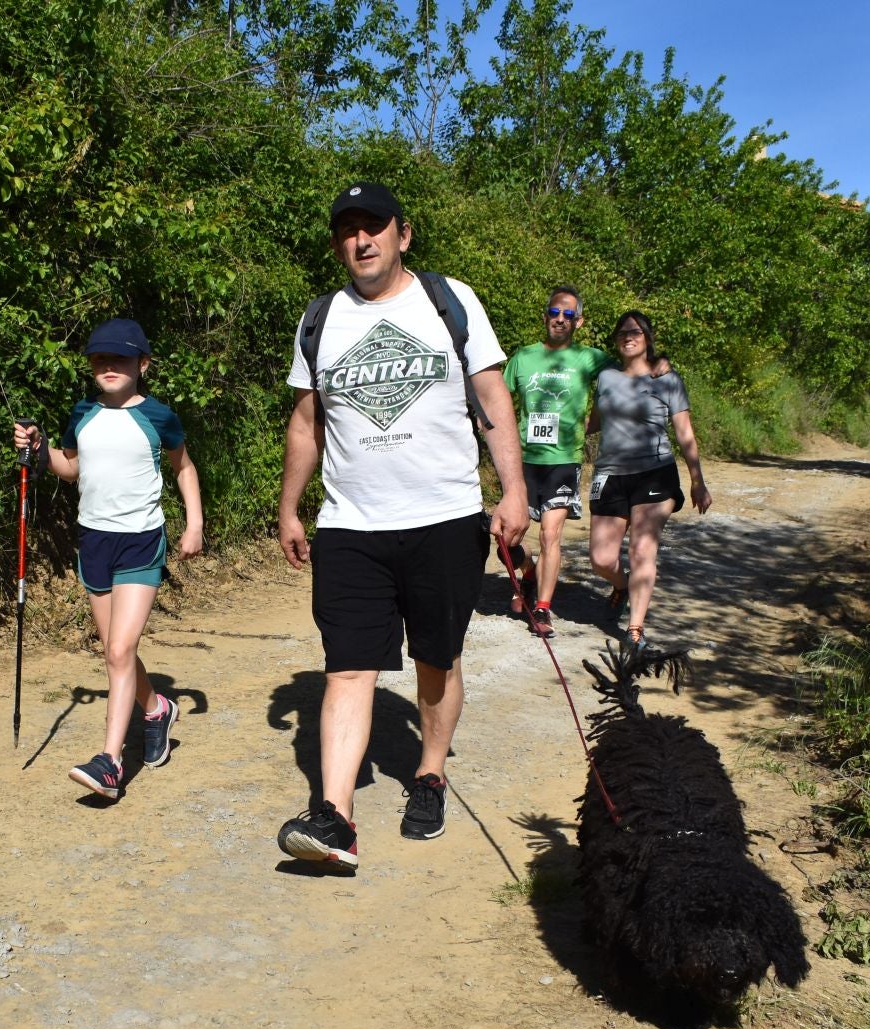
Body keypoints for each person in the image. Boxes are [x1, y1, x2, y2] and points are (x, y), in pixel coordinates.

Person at [274, 182, 531, 869]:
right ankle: (335, 817)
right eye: (348, 230)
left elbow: (492, 397)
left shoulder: (450, 300)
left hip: (444, 518)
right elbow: (306, 421)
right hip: (350, 525)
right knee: (347, 666)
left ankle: (429, 774)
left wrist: (514, 491)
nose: (361, 240)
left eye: (374, 227)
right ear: (338, 245)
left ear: (403, 234)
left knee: (436, 661)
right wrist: (290, 507)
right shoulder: (320, 318)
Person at [14, 318, 205, 801]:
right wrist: (39, 449)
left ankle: (110, 762)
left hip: (140, 541)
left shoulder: (158, 416)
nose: (109, 366)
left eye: (120, 358)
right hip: (94, 542)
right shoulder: (82, 413)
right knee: (115, 651)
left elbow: (183, 468)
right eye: (100, 359)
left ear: (143, 365)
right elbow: (70, 468)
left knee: (120, 650)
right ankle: (156, 708)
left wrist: (195, 523)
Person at [586, 310, 712, 650]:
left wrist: (697, 480)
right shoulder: (606, 377)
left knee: (642, 549)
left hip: (654, 472)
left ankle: (635, 630)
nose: (629, 337)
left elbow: (684, 432)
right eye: (623, 332)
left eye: (636, 332)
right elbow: (592, 423)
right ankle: (623, 586)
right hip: (610, 475)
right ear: (616, 340)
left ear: (647, 338)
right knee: (600, 558)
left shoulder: (667, 379)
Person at [501, 286, 612, 637]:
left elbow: (630, 373)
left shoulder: (590, 358)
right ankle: (529, 571)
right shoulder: (523, 357)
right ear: (545, 316)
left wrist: (598, 419)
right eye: (554, 312)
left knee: (551, 534)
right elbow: (497, 400)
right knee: (506, 538)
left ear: (579, 321)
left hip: (564, 460)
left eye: (568, 315)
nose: (560, 319)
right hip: (523, 460)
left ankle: (543, 607)